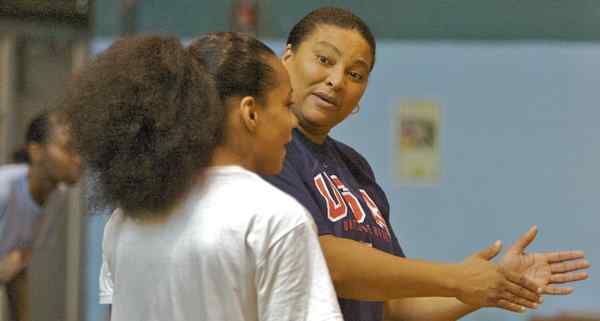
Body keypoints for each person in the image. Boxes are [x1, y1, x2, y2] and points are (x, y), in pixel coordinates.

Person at [262, 6, 591, 321]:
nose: (337, 81)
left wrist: (493, 284)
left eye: (355, 74)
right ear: (287, 57)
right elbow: (320, 260)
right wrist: (455, 277)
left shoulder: (354, 167)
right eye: (324, 59)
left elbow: (395, 304)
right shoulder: (264, 150)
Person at [64, 34, 343, 321]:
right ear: (250, 113)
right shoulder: (275, 220)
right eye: (286, 105)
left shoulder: (125, 219)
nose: (293, 120)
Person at [0, 110, 82, 321]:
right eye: (68, 149)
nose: (79, 159)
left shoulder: (57, 198)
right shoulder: (4, 189)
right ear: (36, 152)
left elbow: (17, 266)